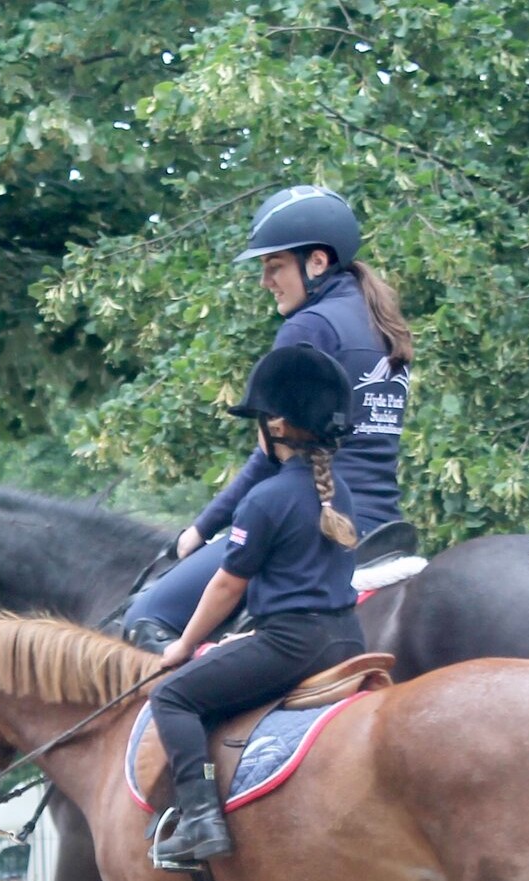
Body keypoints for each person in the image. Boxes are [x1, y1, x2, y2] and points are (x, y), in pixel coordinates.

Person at [124, 185, 414, 651]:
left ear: (316, 262)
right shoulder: (381, 323)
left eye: (274, 266)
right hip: (381, 523)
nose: (266, 281)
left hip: (308, 518)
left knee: (147, 615)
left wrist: (200, 529)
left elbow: (271, 454)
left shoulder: (309, 326)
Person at [148, 345, 368, 867]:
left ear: (277, 424)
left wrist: (183, 645)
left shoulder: (265, 499)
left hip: (293, 644)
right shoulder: (339, 494)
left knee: (174, 698)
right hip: (345, 636)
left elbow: (227, 586)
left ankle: (200, 821)